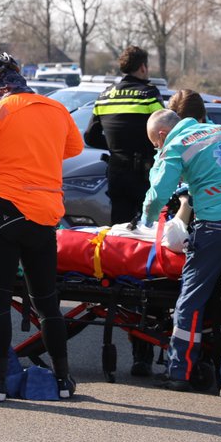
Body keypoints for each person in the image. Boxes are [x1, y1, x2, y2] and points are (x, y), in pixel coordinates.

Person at [0, 51, 83, 401]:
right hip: (44, 216)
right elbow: (74, 147)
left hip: (5, 214)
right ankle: (63, 381)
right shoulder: (55, 108)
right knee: (47, 301)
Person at [139, 108, 221, 400]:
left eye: (155, 144)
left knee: (192, 297)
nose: (157, 148)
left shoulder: (176, 145)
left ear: (161, 135)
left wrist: (145, 218)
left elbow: (158, 193)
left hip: (218, 223)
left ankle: (178, 372)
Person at [85, 46, 164, 377]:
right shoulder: (149, 95)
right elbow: (166, 130)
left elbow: (90, 135)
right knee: (151, 259)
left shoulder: (105, 95)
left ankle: (135, 345)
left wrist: (116, 149)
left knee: (122, 258)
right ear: (143, 67)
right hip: (147, 178)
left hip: (117, 177)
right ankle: (149, 347)